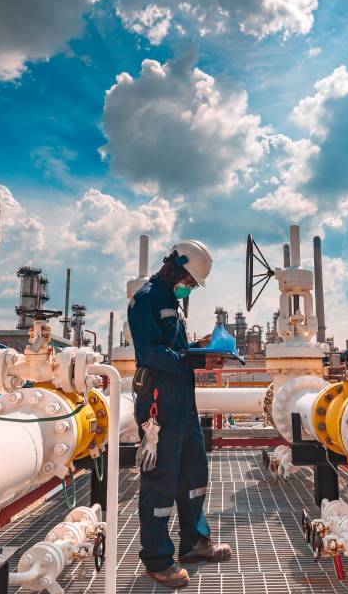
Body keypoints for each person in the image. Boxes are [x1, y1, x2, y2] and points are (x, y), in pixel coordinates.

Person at [127, 240, 233, 588]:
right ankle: (157, 559)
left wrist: (202, 349)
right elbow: (151, 354)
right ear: (175, 265)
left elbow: (176, 350)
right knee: (160, 479)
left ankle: (194, 544)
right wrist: (195, 360)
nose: (189, 286)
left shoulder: (173, 302)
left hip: (182, 401)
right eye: (188, 278)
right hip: (158, 401)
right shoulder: (146, 299)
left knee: (194, 471)